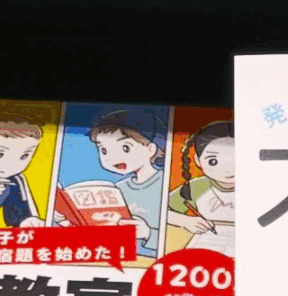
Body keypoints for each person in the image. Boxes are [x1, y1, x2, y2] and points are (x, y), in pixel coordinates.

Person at [88, 108, 167, 258]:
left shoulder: (165, 184)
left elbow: (179, 236)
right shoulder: (117, 189)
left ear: (150, 149)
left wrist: (148, 233)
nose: (113, 158)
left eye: (125, 148)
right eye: (104, 150)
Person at [167, 120, 236, 253]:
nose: (228, 170)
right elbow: (160, 211)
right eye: (213, 161)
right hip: (207, 243)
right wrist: (185, 221)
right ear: (198, 161)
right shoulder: (197, 186)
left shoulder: (257, 185)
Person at [0, 118, 45, 228]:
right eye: (0, 154)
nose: (11, 165)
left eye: (24, 156)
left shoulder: (15, 180)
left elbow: (19, 211)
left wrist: (27, 221)